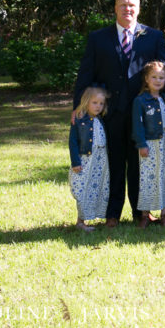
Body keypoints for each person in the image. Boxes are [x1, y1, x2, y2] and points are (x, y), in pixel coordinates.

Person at [72, 0, 165, 226]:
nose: (127, 9)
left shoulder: (153, 36)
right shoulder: (99, 38)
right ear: (115, 8)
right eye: (123, 5)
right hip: (109, 112)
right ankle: (112, 214)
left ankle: (142, 212)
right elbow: (86, 73)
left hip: (144, 113)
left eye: (132, 6)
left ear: (138, 9)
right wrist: (79, 106)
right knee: (113, 162)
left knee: (140, 163)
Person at [132, 61, 165, 228]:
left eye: (161, 78)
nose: (158, 81)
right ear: (146, 78)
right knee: (149, 178)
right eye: (154, 77)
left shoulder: (163, 98)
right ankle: (145, 214)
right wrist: (141, 144)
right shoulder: (140, 100)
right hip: (149, 144)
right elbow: (138, 125)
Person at [69, 87, 109, 232]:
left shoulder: (100, 120)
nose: (98, 106)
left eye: (101, 103)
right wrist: (75, 162)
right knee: (83, 189)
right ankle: (80, 221)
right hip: (85, 161)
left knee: (97, 188)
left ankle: (94, 215)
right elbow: (72, 142)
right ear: (86, 102)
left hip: (100, 162)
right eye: (94, 103)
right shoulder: (79, 119)